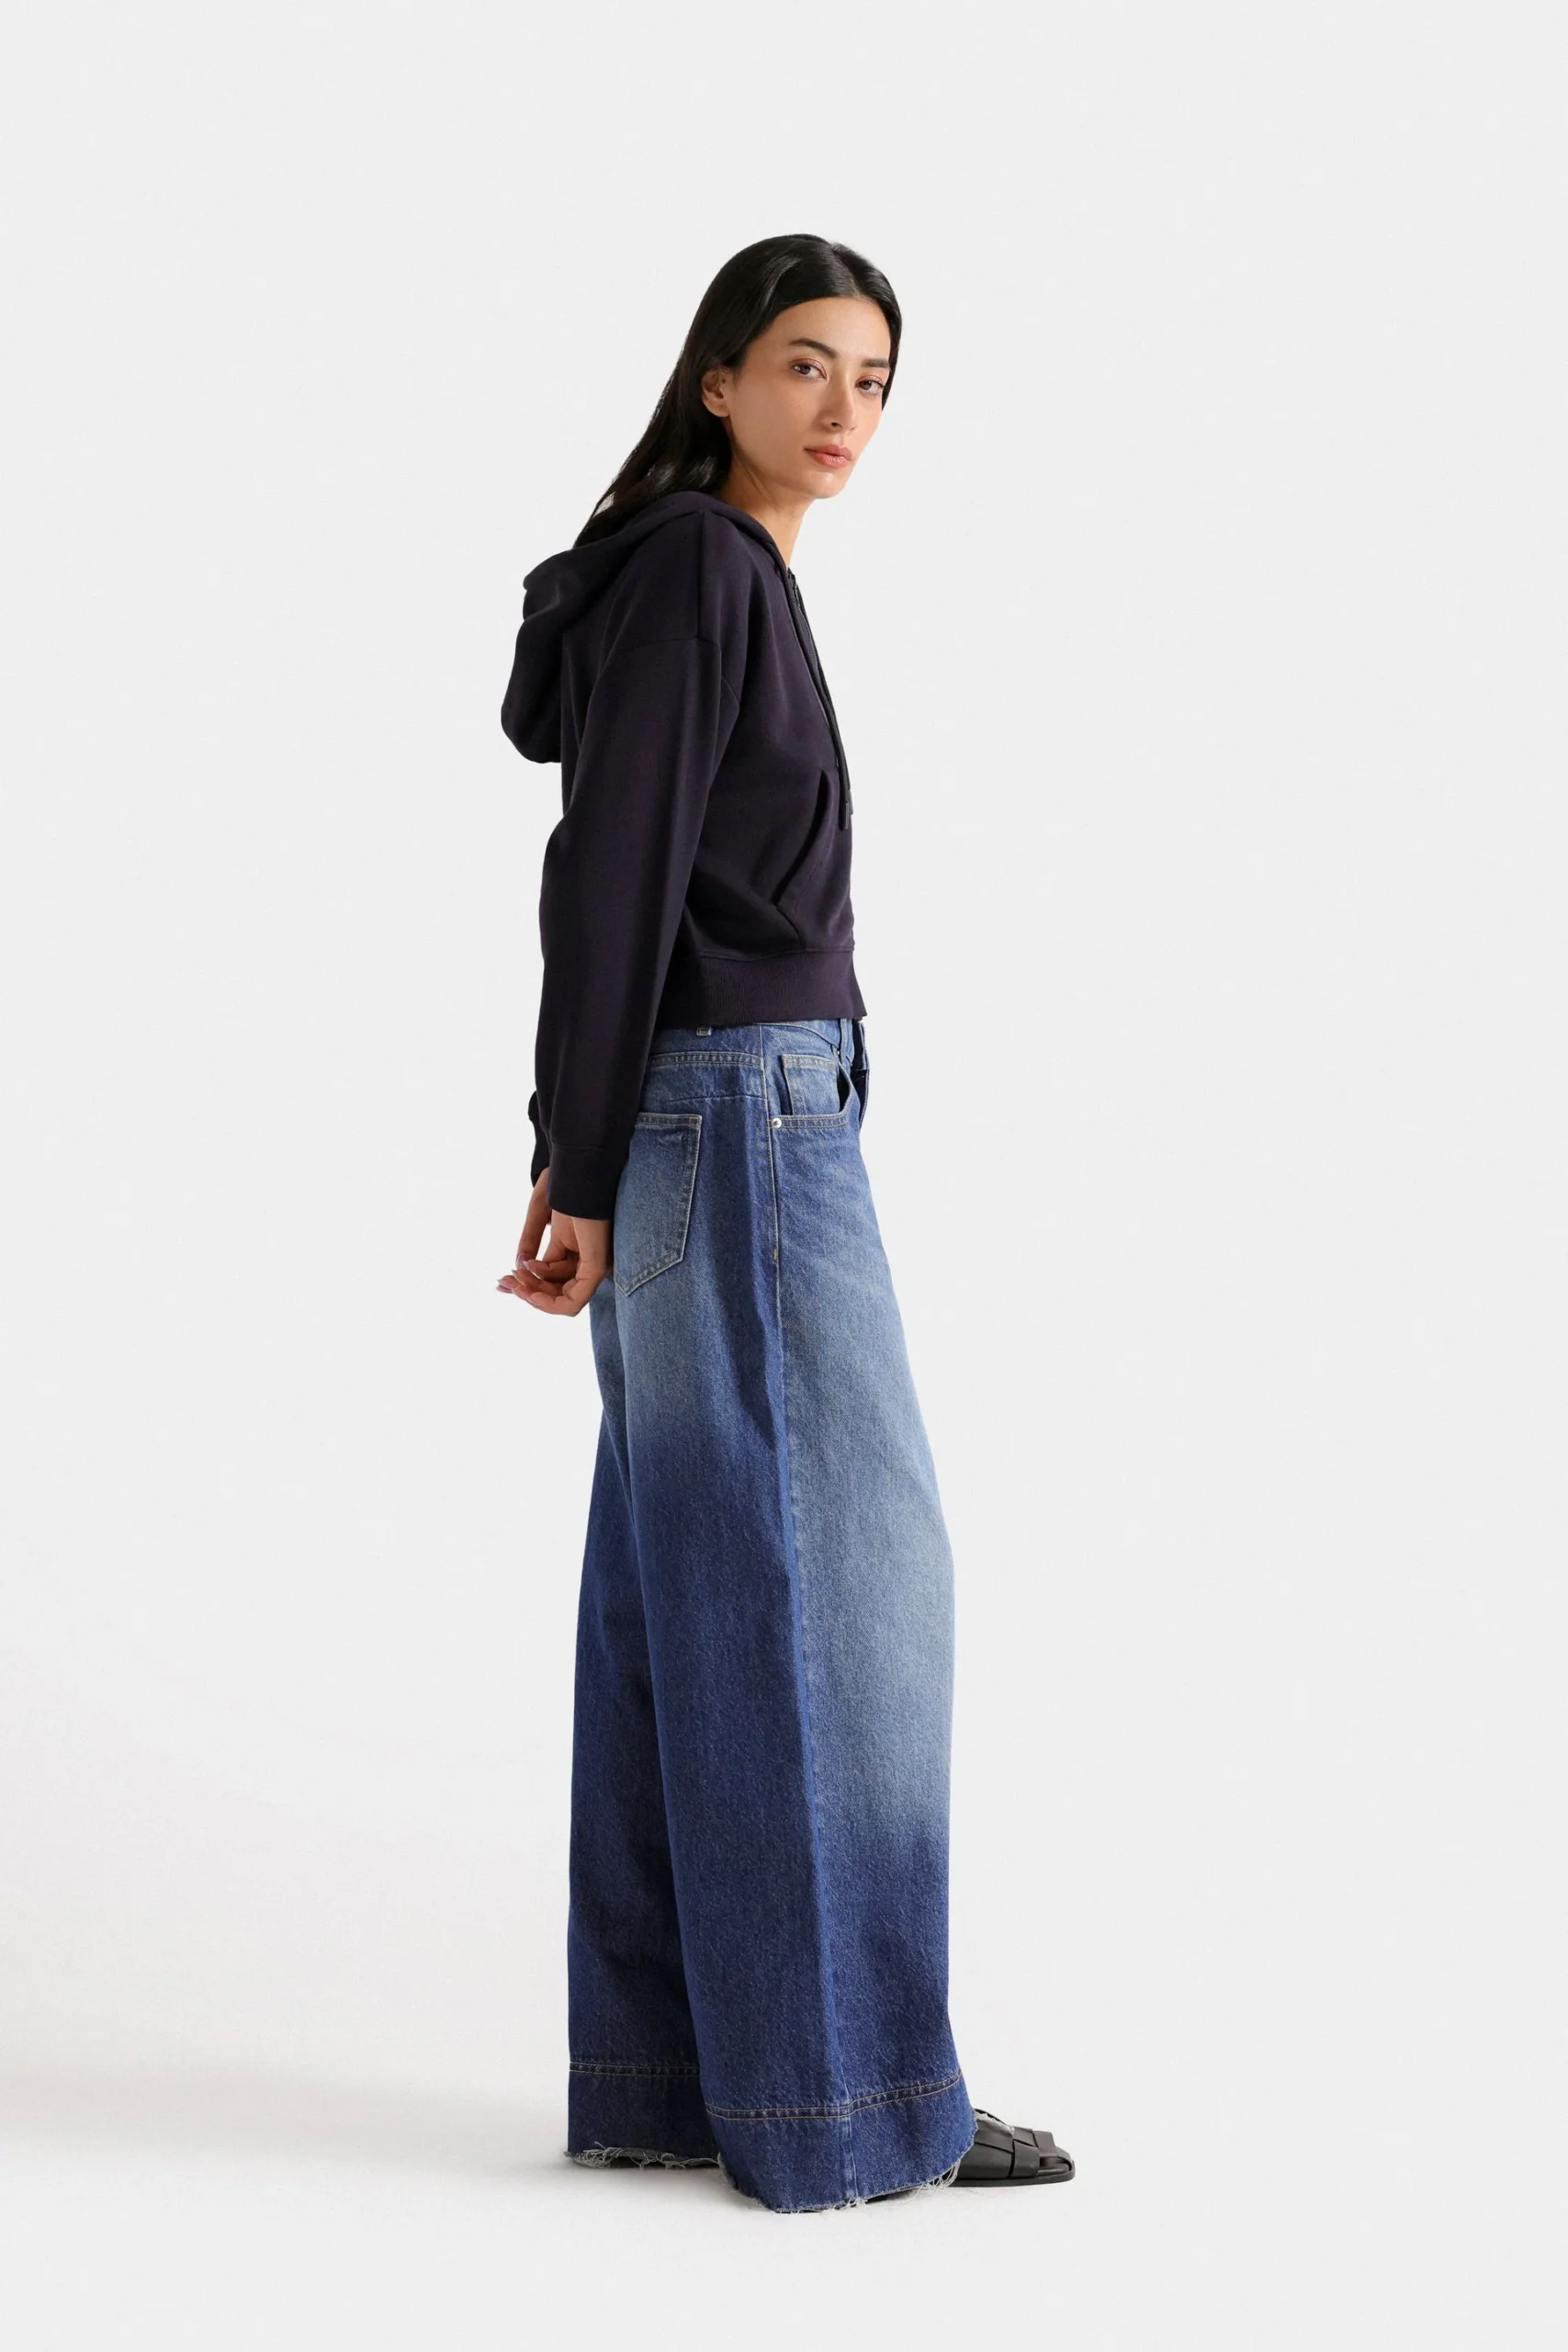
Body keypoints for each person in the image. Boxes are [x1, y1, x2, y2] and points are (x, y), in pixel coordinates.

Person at [496, 232, 1074, 2212]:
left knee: (695, 1582)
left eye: (876, 379)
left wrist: (582, 1143)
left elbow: (626, 871)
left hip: (700, 1113)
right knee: (839, 1590)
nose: (844, 410)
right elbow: (613, 873)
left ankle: (678, 2072)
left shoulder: (702, 573)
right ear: (719, 378)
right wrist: (580, 1155)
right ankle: (846, 2097)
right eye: (807, 364)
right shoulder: (699, 571)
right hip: (739, 1119)